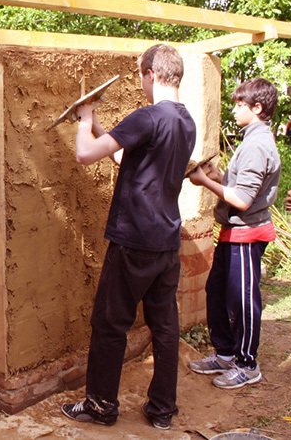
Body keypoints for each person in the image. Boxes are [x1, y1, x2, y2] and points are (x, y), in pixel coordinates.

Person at [60, 44, 196, 430]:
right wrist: (102, 126)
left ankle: (101, 406)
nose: (141, 83)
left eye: (141, 75)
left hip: (134, 242)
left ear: (152, 73)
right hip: (167, 244)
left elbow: (85, 155)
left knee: (109, 324)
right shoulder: (185, 121)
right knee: (166, 328)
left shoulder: (148, 116)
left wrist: (84, 120)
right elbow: (124, 156)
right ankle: (162, 410)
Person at [187, 78, 280, 389]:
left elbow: (241, 199)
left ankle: (247, 363)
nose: (234, 110)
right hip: (234, 231)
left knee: (243, 300)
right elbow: (239, 185)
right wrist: (218, 176)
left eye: (240, 105)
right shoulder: (250, 139)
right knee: (217, 292)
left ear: (258, 108)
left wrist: (205, 182)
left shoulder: (257, 145)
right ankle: (225, 353)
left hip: (247, 233)